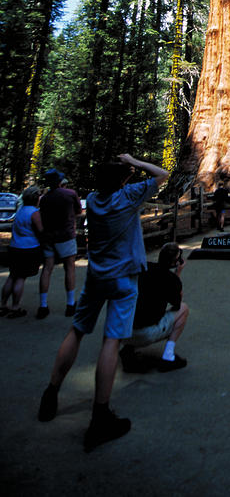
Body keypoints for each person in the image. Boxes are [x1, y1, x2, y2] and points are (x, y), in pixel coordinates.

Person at [37, 153, 168, 452]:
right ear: (124, 180)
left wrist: (120, 174)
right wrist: (134, 161)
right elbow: (162, 175)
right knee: (111, 342)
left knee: (77, 331)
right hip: (124, 279)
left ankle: (51, 392)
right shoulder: (129, 196)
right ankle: (100, 417)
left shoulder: (94, 200)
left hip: (97, 276)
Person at [119, 242, 189, 373]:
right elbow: (177, 303)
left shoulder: (145, 268)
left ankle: (128, 349)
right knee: (184, 309)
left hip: (122, 330)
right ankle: (168, 356)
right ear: (175, 263)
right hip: (145, 333)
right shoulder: (171, 279)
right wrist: (177, 275)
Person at [37, 169, 82, 318]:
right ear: (59, 181)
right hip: (66, 236)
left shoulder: (44, 198)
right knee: (69, 268)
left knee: (47, 269)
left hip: (49, 237)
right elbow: (78, 211)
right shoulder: (70, 194)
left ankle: (43, 305)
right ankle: (70, 304)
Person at [1, 185, 43, 318]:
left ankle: (2, 304)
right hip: (28, 248)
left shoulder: (20, 210)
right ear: (36, 198)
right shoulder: (34, 213)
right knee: (20, 278)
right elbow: (41, 230)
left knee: (12, 276)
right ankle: (15, 307)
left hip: (15, 247)